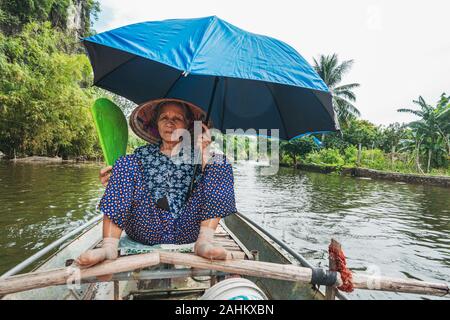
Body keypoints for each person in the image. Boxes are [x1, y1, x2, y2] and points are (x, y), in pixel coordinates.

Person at [75, 98, 237, 269]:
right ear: (157, 124)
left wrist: (204, 155)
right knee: (124, 163)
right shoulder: (141, 154)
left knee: (219, 162)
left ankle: (204, 243)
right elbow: (126, 187)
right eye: (164, 118)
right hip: (146, 226)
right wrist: (114, 180)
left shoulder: (197, 154)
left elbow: (211, 192)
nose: (170, 123)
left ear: (187, 125)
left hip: (187, 228)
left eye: (177, 118)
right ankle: (108, 247)